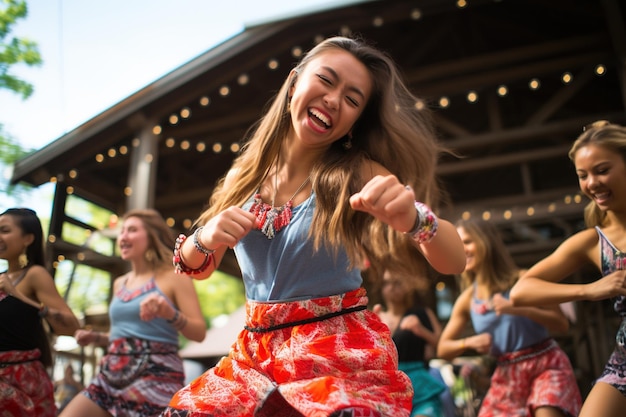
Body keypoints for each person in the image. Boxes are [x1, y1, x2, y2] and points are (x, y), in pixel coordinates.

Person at [161, 35, 466, 417]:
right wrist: (204, 237)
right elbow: (195, 267)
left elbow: (454, 261)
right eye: (326, 79)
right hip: (254, 356)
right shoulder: (245, 174)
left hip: (332, 350)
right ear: (293, 84)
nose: (334, 99)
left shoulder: (355, 171)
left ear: (355, 122)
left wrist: (414, 219)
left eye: (352, 99)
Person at [510, 121, 626, 417]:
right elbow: (521, 290)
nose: (591, 183)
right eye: (582, 175)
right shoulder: (592, 241)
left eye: (601, 170)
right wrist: (588, 290)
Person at [59, 208, 206, 417]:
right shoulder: (120, 283)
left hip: (155, 375)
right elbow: (123, 336)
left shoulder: (175, 276)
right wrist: (97, 337)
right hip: (112, 371)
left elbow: (199, 333)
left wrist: (169, 313)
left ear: (151, 237)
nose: (123, 236)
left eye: (132, 230)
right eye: (122, 231)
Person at [437, 219, 582, 417]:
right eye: (459, 244)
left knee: (546, 410)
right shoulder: (467, 299)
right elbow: (443, 349)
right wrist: (468, 342)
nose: (463, 249)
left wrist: (520, 309)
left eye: (468, 242)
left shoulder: (523, 280)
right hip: (507, 373)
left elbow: (561, 324)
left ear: (486, 242)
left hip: (546, 364)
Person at [0, 207, 81, 417]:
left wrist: (18, 295)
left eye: (4, 230)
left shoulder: (34, 274)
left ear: (27, 238)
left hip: (22, 383)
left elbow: (72, 327)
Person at [372, 263, 451, 417]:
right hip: (387, 389)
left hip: (419, 385)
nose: (392, 287)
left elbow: (441, 345)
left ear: (407, 285)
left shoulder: (421, 313)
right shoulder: (376, 317)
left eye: (397, 282)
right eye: (387, 283)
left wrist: (420, 330)